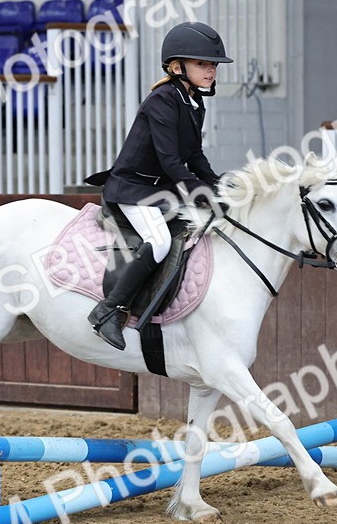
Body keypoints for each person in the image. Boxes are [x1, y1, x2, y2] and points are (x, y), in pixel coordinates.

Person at [83, 21, 233, 350]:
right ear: (177, 67)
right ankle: (108, 312)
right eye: (202, 64)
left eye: (212, 65)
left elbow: (194, 154)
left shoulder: (193, 102)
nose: (211, 71)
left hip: (160, 191)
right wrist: (203, 194)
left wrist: (217, 186)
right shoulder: (162, 101)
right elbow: (171, 162)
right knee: (160, 241)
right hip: (132, 189)